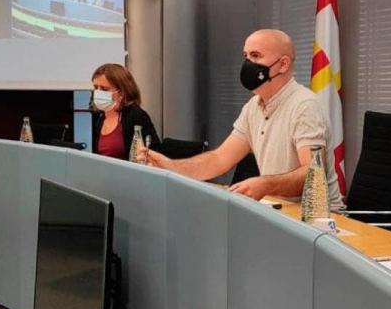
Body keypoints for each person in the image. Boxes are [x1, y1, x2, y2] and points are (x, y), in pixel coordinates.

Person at [142, 29, 343, 209]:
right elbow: (219, 159)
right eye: (245, 56)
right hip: (279, 212)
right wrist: (171, 166)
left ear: (283, 64)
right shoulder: (253, 106)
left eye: (255, 56)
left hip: (320, 219)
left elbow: (312, 174)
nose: (248, 63)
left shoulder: (304, 106)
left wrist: (266, 184)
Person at [90, 63, 160, 160]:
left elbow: (153, 153)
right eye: (95, 88)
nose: (98, 92)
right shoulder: (101, 119)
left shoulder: (136, 115)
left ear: (121, 92)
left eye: (104, 89)